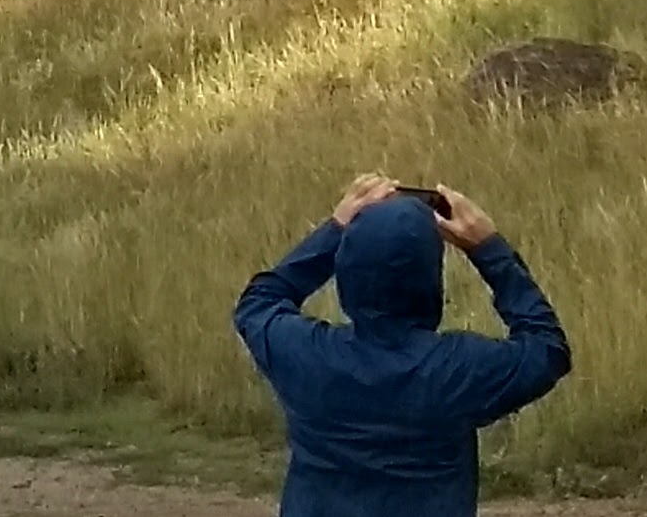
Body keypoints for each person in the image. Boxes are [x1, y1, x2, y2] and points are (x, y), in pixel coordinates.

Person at [231, 172, 570, 516]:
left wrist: (335, 229)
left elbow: (258, 302)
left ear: (347, 270)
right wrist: (488, 249)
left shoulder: (306, 354)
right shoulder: (457, 368)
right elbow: (547, 350)